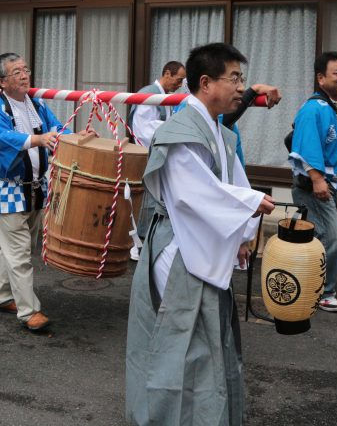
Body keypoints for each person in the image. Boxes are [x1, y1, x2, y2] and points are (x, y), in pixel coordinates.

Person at [125, 43, 275, 426]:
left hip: (201, 245)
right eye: (235, 78)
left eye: (242, 78)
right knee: (181, 349)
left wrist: (242, 235)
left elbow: (228, 184)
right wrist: (249, 204)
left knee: (206, 347)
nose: (241, 87)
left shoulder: (217, 132)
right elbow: (194, 195)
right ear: (205, 83)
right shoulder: (179, 132)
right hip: (179, 251)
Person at [0, 53, 66, 332]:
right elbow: (1, 138)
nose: (24, 74)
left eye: (26, 69)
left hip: (34, 188)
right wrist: (39, 139)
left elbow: (56, 128)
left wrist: (68, 137)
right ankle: (29, 312)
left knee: (15, 249)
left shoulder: (36, 104)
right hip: (6, 189)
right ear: (2, 81)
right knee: (19, 253)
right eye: (17, 71)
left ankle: (1, 296)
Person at [288, 51, 337, 314]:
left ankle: (306, 284)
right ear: (321, 78)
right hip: (315, 185)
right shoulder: (312, 109)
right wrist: (317, 179)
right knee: (332, 236)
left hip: (335, 182)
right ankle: (325, 292)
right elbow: (306, 148)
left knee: (318, 236)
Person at [127, 61, 186, 260]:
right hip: (146, 155)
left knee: (155, 200)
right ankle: (136, 244)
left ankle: (148, 242)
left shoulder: (164, 96)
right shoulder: (149, 93)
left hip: (157, 154)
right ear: (167, 74)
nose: (180, 85)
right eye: (179, 80)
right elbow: (142, 129)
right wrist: (171, 130)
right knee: (146, 201)